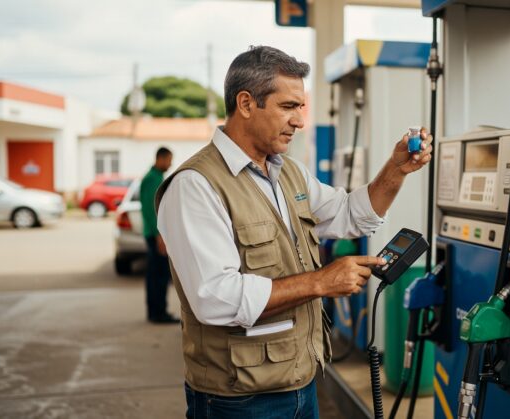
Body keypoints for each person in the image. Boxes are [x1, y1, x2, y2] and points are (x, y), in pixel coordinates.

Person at [156, 46, 432, 419]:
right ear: (246, 103)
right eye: (288, 106)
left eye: (300, 108)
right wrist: (321, 281)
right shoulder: (195, 185)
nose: (299, 121)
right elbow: (215, 298)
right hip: (240, 400)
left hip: (301, 381)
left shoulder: (288, 173)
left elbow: (350, 214)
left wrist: (395, 170)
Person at [139, 146, 177, 324]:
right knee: (158, 276)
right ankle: (158, 313)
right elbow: (150, 209)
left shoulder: (156, 177)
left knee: (157, 275)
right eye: (169, 160)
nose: (170, 164)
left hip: (156, 235)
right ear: (160, 159)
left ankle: (157, 311)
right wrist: (159, 236)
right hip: (156, 236)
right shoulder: (151, 179)